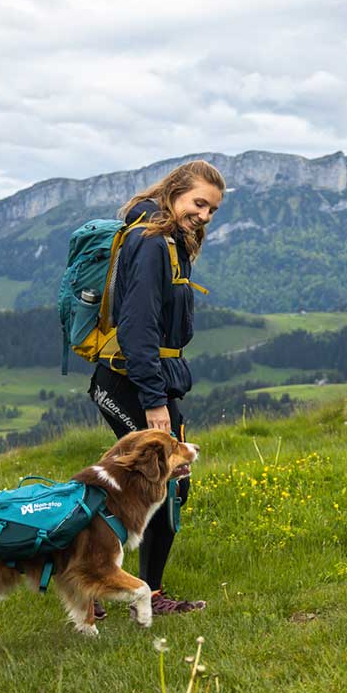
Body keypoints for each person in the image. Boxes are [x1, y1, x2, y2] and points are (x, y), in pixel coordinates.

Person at [87, 158, 225, 615]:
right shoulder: (150, 243)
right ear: (175, 192)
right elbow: (137, 326)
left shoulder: (171, 241)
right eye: (198, 204)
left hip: (151, 380)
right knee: (152, 482)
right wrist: (153, 401)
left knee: (166, 483)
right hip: (131, 382)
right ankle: (117, 587)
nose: (204, 215)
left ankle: (116, 586)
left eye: (212, 210)